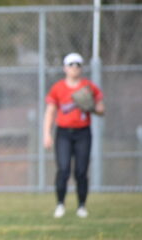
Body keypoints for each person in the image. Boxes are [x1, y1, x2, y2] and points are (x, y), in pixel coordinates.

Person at [43, 52, 104, 219]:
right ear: (65, 68)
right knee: (63, 169)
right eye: (71, 65)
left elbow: (101, 109)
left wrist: (91, 107)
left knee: (81, 171)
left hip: (83, 133)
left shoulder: (88, 87)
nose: (74, 68)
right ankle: (60, 204)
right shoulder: (58, 88)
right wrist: (46, 133)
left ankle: (82, 206)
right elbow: (50, 111)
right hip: (63, 132)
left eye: (77, 65)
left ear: (81, 68)